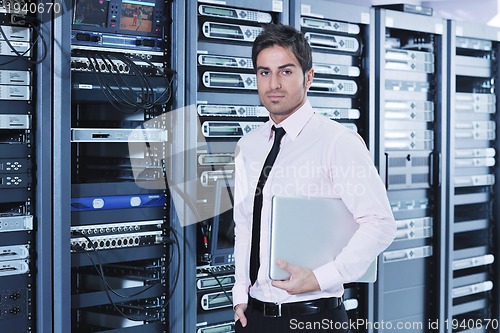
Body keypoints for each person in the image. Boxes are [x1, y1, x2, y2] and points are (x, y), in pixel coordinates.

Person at [232, 23, 397, 332]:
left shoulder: (338, 142)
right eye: (264, 72)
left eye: (286, 71)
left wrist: (321, 277)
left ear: (308, 77)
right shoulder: (248, 146)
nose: (273, 84)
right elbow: (244, 223)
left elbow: (380, 223)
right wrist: (240, 292)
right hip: (252, 318)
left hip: (314, 318)